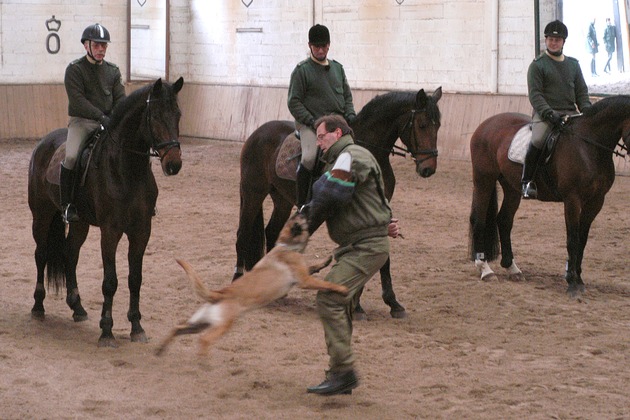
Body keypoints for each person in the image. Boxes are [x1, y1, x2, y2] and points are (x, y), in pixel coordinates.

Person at [303, 115, 400, 396]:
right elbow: (369, 198)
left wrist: (297, 233)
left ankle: (343, 371)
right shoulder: (344, 158)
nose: (318, 144)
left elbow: (328, 194)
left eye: (321, 137)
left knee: (329, 297)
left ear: (337, 133)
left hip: (365, 247)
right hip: (356, 246)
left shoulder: (350, 156)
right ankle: (339, 373)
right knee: (340, 303)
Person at [61, 23, 126, 223]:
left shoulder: (113, 71)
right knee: (71, 157)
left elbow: (120, 99)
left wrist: (115, 119)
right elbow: (78, 101)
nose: (101, 49)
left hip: (108, 123)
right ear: (86, 45)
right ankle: (67, 205)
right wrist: (101, 117)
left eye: (104, 46)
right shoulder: (75, 70)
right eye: (97, 45)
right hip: (83, 122)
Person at [287, 24, 357, 208]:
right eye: (316, 46)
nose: (320, 50)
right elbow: (294, 102)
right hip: (310, 124)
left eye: (323, 46)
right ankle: (302, 203)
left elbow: (347, 96)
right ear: (310, 45)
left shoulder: (338, 69)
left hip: (337, 123)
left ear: (329, 45)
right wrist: (312, 122)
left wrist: (350, 114)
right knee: (309, 157)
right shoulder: (302, 71)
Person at [522, 20, 591, 199]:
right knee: (537, 139)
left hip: (571, 114)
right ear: (546, 40)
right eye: (551, 39)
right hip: (546, 115)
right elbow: (535, 95)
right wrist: (549, 113)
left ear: (563, 42)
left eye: (558, 40)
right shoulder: (537, 65)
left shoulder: (573, 65)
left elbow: (581, 93)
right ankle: (527, 181)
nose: (554, 42)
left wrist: (588, 111)